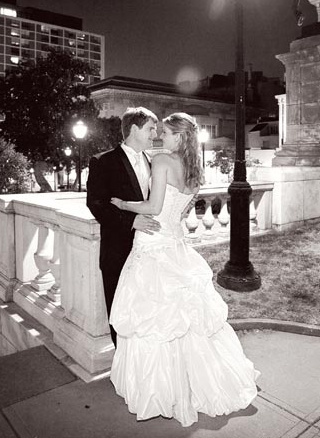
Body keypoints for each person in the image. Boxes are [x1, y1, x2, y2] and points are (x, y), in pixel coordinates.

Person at [108, 112, 259, 427]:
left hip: (152, 244)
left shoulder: (163, 162)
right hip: (175, 243)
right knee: (186, 321)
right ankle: (196, 384)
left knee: (154, 318)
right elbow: (179, 210)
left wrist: (122, 205)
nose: (160, 137)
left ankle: (161, 391)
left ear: (178, 135)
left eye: (165, 132)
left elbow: (153, 207)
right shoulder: (194, 169)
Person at [86, 107, 161, 347]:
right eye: (151, 128)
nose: (155, 134)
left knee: (148, 309)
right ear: (134, 129)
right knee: (120, 312)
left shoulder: (155, 163)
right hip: (118, 252)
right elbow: (96, 204)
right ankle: (123, 367)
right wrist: (131, 221)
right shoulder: (102, 161)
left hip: (149, 251)